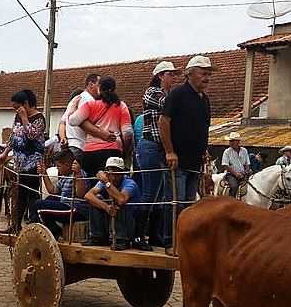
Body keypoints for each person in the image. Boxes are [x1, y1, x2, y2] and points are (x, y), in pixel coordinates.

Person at [158, 55, 214, 248]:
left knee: (189, 204)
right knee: (176, 202)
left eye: (208, 74)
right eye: (203, 73)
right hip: (177, 160)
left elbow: (202, 128)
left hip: (194, 161)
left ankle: (184, 241)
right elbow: (164, 122)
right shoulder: (177, 94)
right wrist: (169, 151)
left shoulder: (205, 100)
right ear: (190, 74)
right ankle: (169, 241)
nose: (206, 77)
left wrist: (204, 150)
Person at [136, 61, 181, 246]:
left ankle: (154, 235)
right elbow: (170, 107)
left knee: (159, 194)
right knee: (150, 193)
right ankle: (138, 235)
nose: (172, 78)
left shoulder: (167, 94)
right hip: (150, 146)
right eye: (170, 75)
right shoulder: (153, 93)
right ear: (161, 75)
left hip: (159, 148)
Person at [0, 89, 46, 232]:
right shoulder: (17, 117)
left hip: (33, 162)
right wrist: (6, 152)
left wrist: (25, 118)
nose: (16, 111)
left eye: (17, 107)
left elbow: (32, 135)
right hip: (19, 163)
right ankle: (15, 225)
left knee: (31, 195)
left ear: (25, 104)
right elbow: (14, 136)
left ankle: (33, 225)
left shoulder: (39, 118)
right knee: (19, 195)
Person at [69, 76, 133, 176]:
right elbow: (128, 132)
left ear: (100, 89)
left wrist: (73, 107)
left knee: (90, 187)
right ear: (114, 89)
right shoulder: (121, 105)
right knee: (110, 186)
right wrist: (125, 150)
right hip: (112, 151)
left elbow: (72, 121)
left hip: (90, 152)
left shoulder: (91, 104)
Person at [83, 157, 144, 251]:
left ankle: (122, 240)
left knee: (118, 203)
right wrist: (106, 207)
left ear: (122, 172)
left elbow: (121, 199)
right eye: (111, 172)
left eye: (117, 172)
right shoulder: (104, 181)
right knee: (97, 199)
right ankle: (98, 237)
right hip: (112, 218)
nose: (114, 176)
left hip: (131, 222)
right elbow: (88, 196)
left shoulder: (129, 183)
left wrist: (106, 183)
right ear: (107, 172)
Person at [31, 150, 89, 238]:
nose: (57, 168)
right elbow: (53, 190)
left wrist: (78, 175)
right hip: (66, 205)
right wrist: (44, 173)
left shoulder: (79, 174)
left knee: (38, 205)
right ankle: (53, 231)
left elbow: (80, 194)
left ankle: (54, 233)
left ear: (66, 165)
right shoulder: (64, 176)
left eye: (58, 166)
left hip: (76, 209)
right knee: (49, 199)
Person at [58, 74, 101, 162]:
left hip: (70, 145)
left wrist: (63, 138)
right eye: (99, 84)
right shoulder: (89, 100)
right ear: (91, 84)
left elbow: (62, 122)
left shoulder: (75, 99)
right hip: (80, 145)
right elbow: (88, 124)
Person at [221, 132, 251, 198]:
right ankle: (231, 201)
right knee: (234, 186)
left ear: (238, 142)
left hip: (243, 173)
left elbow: (247, 163)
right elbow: (225, 165)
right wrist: (236, 174)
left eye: (232, 141)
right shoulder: (227, 152)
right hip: (231, 175)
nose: (230, 142)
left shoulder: (244, 151)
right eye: (230, 141)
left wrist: (246, 171)